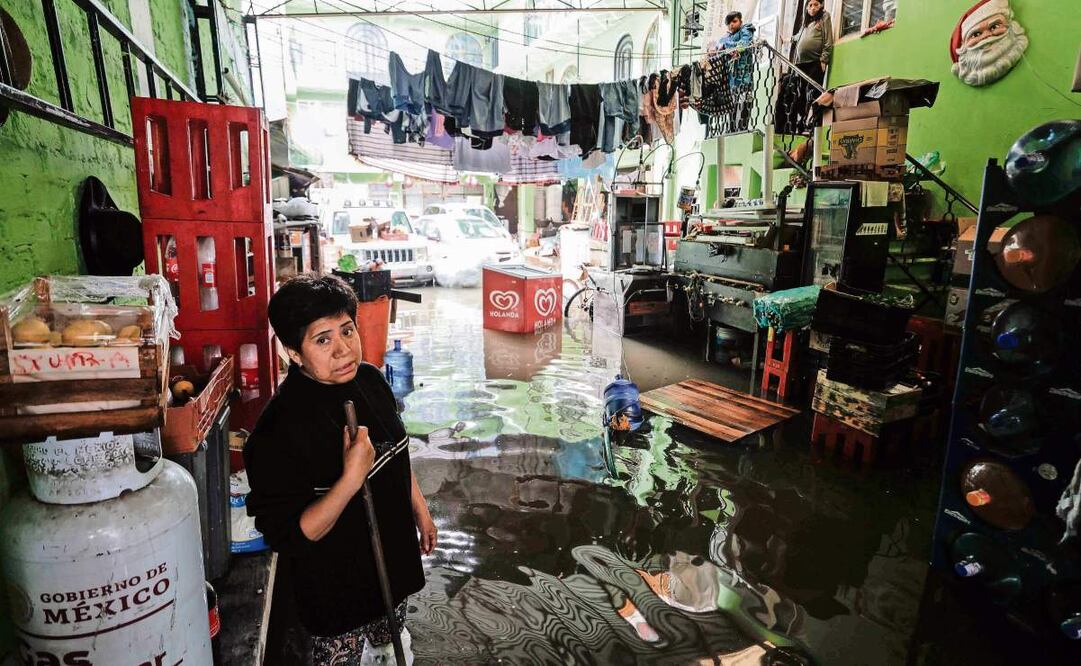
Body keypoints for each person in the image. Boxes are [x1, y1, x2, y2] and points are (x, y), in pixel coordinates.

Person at [244, 273, 437, 665]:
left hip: (391, 564)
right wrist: (351, 479)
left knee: (390, 646)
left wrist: (421, 510)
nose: (343, 349)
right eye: (322, 339)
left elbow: (397, 454)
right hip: (336, 587)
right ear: (293, 353)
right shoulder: (276, 432)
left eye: (347, 331)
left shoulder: (370, 380)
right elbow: (295, 535)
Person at [778, 0, 834, 154]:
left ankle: (812, 127)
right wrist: (787, 40)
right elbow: (798, 37)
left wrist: (824, 59)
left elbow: (828, 39)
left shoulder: (824, 18)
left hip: (815, 63)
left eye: (816, 4)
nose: (812, 8)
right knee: (800, 94)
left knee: (814, 95)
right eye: (809, 5)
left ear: (821, 6)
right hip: (801, 64)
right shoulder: (806, 24)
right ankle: (801, 125)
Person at [717, 11, 756, 133]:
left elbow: (742, 46)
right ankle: (732, 128)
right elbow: (719, 46)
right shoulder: (727, 37)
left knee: (746, 101)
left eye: (734, 21)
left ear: (740, 21)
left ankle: (743, 127)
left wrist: (726, 45)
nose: (731, 25)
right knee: (732, 103)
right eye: (729, 23)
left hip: (745, 75)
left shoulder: (746, 30)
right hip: (732, 77)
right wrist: (725, 45)